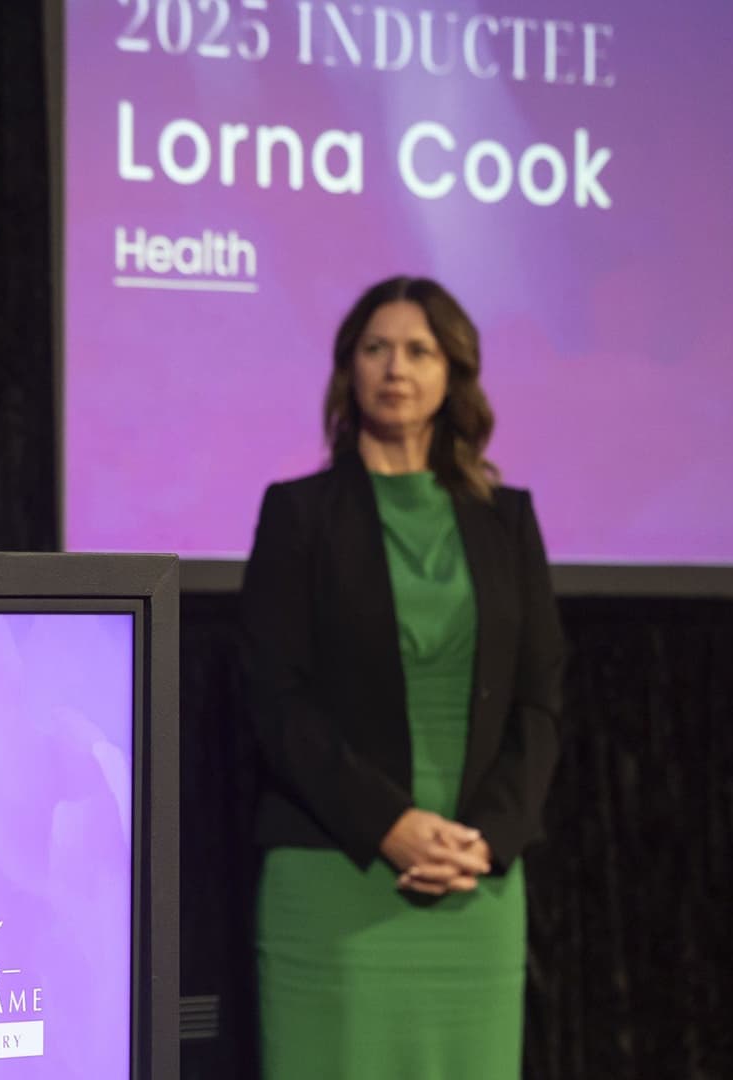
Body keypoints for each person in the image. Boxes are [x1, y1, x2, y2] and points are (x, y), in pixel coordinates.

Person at [239, 276, 564, 1078]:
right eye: (375, 348)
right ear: (348, 368)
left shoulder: (506, 519)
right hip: (336, 874)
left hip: (474, 880)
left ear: (452, 373)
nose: (396, 367)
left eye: (419, 350)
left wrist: (485, 838)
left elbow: (540, 701)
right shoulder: (298, 514)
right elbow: (274, 697)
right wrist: (387, 820)